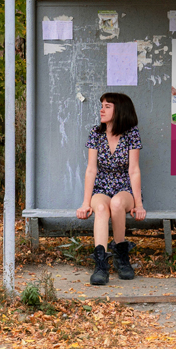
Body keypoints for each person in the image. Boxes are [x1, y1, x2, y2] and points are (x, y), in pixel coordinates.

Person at [76, 93, 146, 284]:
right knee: (100, 208)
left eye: (108, 106)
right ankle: (100, 265)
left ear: (120, 110)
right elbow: (91, 170)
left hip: (125, 188)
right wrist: (84, 203)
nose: (102, 109)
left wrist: (138, 204)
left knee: (116, 204)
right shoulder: (96, 134)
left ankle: (122, 257)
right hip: (102, 187)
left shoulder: (132, 133)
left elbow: (134, 170)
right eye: (102, 105)